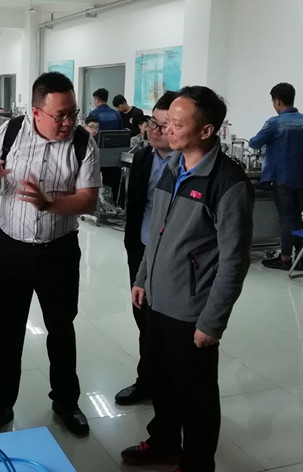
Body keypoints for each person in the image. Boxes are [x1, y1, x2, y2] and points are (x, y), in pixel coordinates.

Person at [121, 86, 253, 471]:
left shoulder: (227, 183)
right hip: (158, 298)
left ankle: (197, 462)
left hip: (192, 309)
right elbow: (157, 230)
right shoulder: (173, 167)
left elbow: (234, 260)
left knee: (196, 394)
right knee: (161, 380)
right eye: (166, 123)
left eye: (178, 124)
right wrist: (143, 277)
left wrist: (212, 321)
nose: (167, 130)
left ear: (206, 130)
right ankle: (164, 441)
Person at [0, 72, 100, 438]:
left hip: (59, 251)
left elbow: (88, 200)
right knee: (6, 332)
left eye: (73, 113)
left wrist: (49, 203)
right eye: (60, 115)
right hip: (13, 250)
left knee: (61, 328)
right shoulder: (12, 131)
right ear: (36, 112)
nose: (69, 122)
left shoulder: (82, 142)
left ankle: (66, 401)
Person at [114, 90, 177, 407]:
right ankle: (148, 381)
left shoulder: (188, 165)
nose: (155, 130)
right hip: (141, 249)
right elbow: (135, 206)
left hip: (174, 257)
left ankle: (171, 387)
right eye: (152, 122)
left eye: (164, 126)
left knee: (170, 325)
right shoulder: (142, 158)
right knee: (143, 318)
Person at [249, 82, 303, 271]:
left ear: (277, 101)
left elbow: (254, 143)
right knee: (297, 217)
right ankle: (300, 257)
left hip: (283, 177)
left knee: (286, 219)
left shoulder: (275, 122)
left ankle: (285, 258)